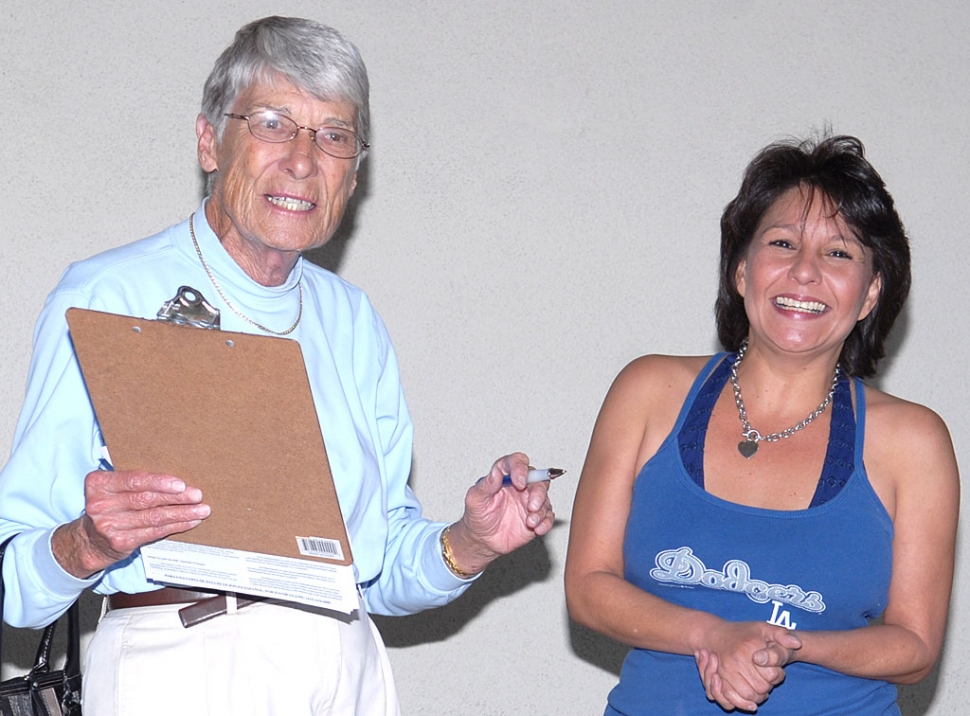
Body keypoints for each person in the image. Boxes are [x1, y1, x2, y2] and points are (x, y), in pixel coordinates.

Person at [0, 16, 554, 716]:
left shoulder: (353, 322)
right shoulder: (107, 298)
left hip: (344, 669)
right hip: (181, 667)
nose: (303, 160)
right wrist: (85, 542)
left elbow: (376, 571)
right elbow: (16, 583)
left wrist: (469, 544)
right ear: (210, 141)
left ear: (353, 172)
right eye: (272, 124)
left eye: (334, 136)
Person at [564, 135, 959, 714]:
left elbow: (915, 645)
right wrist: (713, 636)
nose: (805, 272)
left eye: (839, 254)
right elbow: (589, 588)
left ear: (872, 291)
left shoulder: (914, 442)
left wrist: (786, 648)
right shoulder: (647, 393)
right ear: (742, 271)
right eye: (782, 243)